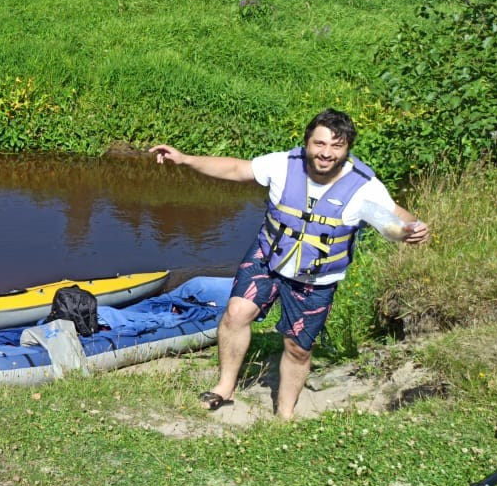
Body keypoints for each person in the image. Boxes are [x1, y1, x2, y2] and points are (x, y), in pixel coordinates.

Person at [149, 109, 430, 420]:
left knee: (297, 349)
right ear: (307, 142)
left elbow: (395, 214)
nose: (325, 153)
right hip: (268, 258)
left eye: (336, 146)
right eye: (319, 143)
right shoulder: (284, 165)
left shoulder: (363, 185)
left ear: (348, 148)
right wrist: (186, 159)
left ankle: (284, 415)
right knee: (235, 313)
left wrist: (413, 228)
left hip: (315, 278)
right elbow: (235, 168)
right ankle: (224, 387)